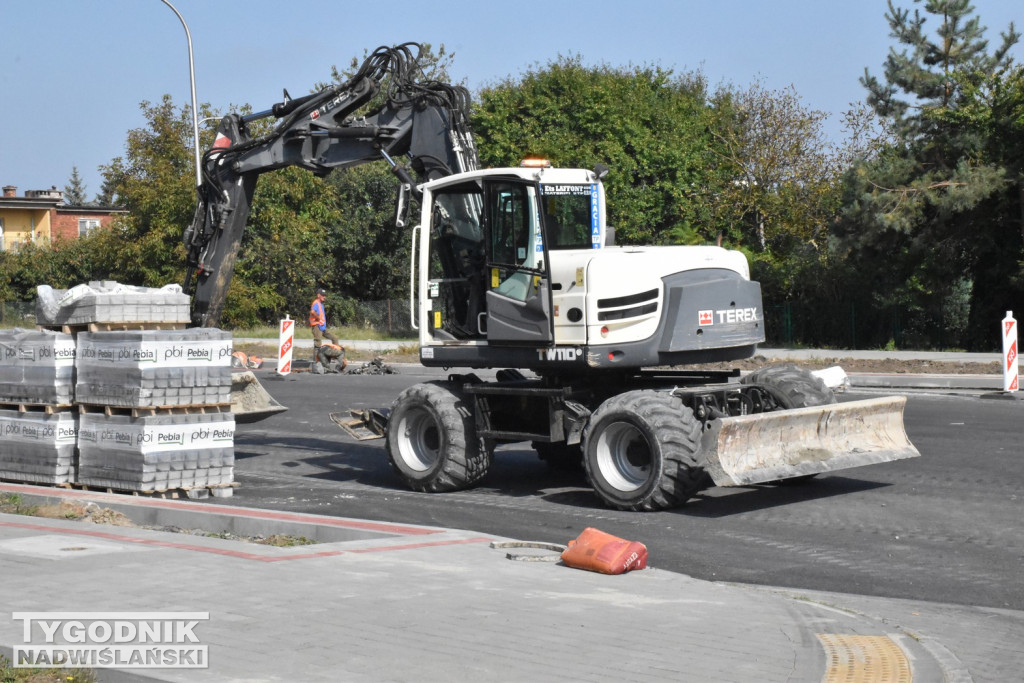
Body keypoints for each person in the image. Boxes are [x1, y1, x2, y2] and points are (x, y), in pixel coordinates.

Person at [308, 288, 340, 360]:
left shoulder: (320, 304)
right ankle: (316, 361)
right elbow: (312, 312)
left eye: (325, 295)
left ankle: (334, 355)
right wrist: (318, 318)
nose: (324, 297)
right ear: (318, 295)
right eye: (322, 295)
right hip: (316, 326)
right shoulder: (316, 303)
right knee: (318, 343)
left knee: (334, 338)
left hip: (322, 327)